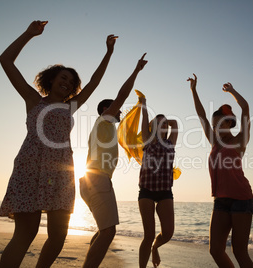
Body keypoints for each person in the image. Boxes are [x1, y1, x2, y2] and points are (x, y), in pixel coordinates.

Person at [0, 20, 117, 267]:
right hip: (30, 166)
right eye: (63, 77)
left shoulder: (70, 106)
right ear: (51, 80)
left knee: (59, 235)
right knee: (25, 234)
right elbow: (6, 61)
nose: (68, 83)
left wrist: (108, 53)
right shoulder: (33, 99)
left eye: (72, 82)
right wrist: (28, 34)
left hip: (62, 171)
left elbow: (94, 82)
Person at [79, 53, 148, 267]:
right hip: (98, 180)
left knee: (103, 230)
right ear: (106, 110)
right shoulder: (105, 120)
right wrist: (136, 70)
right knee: (109, 232)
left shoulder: (103, 127)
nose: (120, 111)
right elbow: (122, 94)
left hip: (89, 181)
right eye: (116, 108)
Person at [188, 74, 253, 268]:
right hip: (220, 200)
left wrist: (233, 91)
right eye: (214, 124)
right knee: (215, 250)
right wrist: (194, 91)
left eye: (220, 123)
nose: (216, 127)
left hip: (241, 199)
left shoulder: (240, 140)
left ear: (228, 123)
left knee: (239, 251)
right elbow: (201, 115)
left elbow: (246, 108)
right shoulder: (214, 141)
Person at [137, 96, 178, 268]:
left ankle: (156, 247)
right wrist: (145, 107)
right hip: (146, 190)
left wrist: (161, 120)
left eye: (164, 125)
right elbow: (145, 121)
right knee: (148, 234)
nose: (163, 127)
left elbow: (175, 124)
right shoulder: (148, 140)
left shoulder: (170, 142)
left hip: (164, 192)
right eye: (158, 125)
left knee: (168, 233)